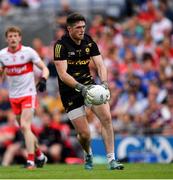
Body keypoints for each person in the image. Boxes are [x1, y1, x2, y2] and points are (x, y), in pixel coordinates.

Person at [54, 12, 124, 170]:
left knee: (106, 118)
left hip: (89, 85)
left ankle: (112, 160)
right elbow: (63, 74)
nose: (82, 30)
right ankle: (88, 153)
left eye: (84, 27)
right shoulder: (60, 45)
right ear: (69, 29)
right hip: (70, 90)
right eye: (78, 27)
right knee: (85, 134)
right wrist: (81, 88)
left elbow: (100, 65)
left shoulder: (89, 41)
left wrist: (104, 84)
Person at [0, 26, 49, 169]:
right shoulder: (2, 55)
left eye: (15, 36)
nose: (13, 38)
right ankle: (40, 155)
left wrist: (44, 80)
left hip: (28, 94)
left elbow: (44, 68)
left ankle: (31, 161)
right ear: (6, 39)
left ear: (20, 38)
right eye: (10, 36)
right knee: (25, 129)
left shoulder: (28, 52)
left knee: (25, 126)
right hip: (13, 96)